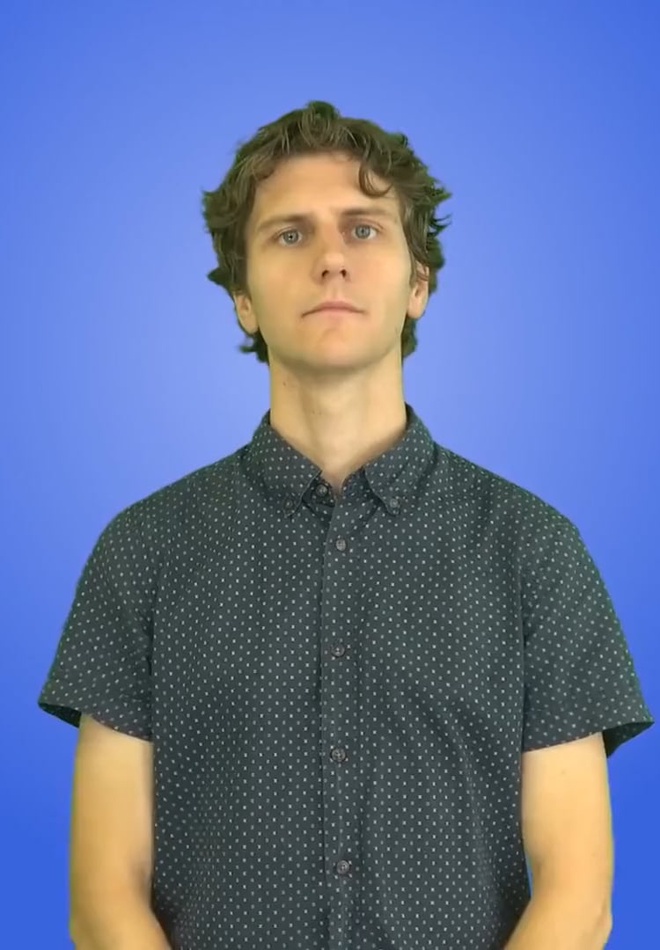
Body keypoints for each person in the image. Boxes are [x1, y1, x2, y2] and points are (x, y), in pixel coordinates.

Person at [38, 100, 654, 950]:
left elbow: (578, 899)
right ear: (243, 300)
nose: (330, 258)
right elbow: (105, 901)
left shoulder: (535, 552)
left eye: (363, 230)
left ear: (419, 286)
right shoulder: (143, 553)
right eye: (290, 234)